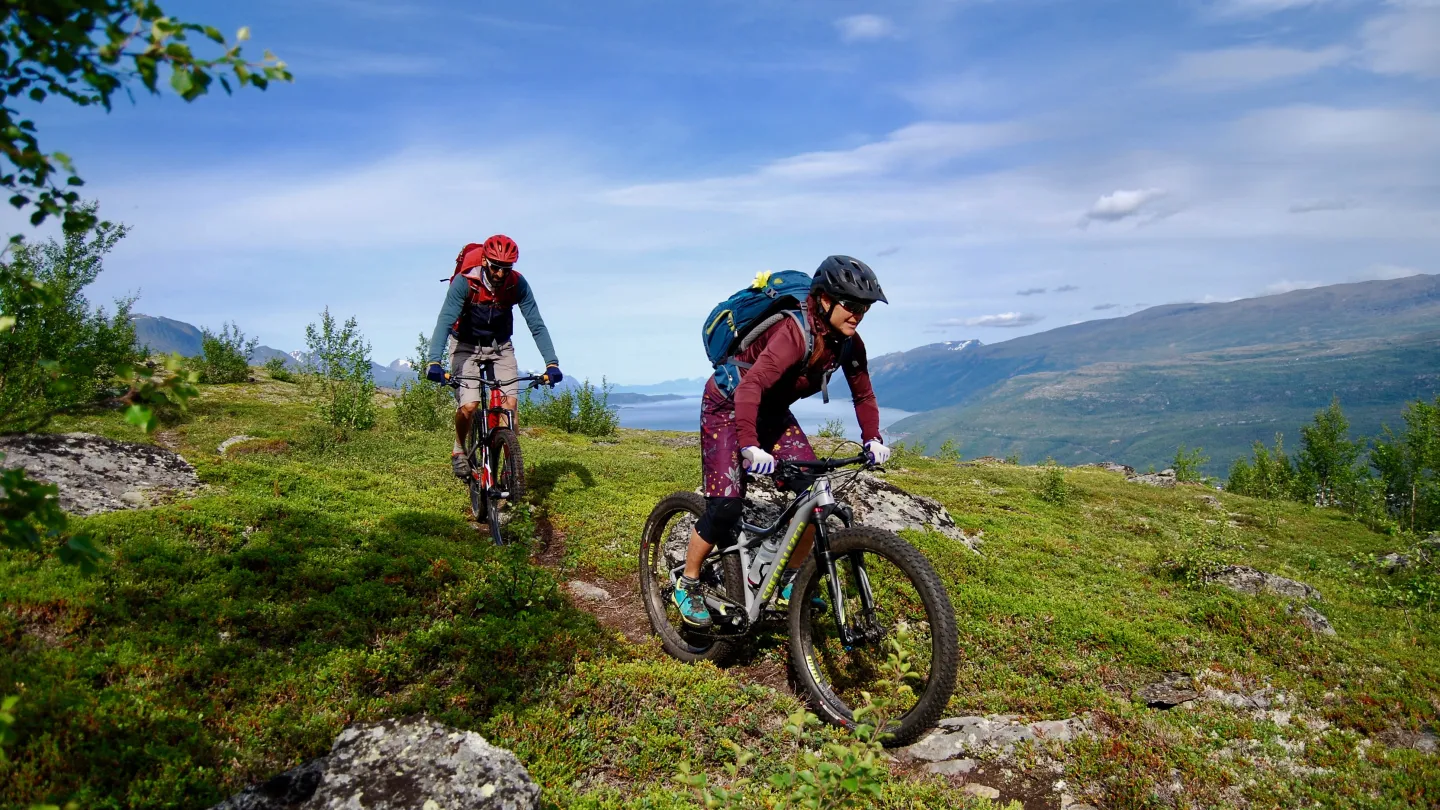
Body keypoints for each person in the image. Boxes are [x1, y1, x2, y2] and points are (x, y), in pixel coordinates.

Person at [672, 255, 893, 628]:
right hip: (729, 403)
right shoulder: (793, 334)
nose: (858, 315)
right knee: (725, 508)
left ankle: (788, 576)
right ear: (824, 300)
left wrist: (872, 437)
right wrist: (749, 446)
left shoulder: (849, 344)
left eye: (865, 309)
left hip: (771, 411)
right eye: (851, 306)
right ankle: (687, 580)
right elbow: (751, 386)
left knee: (813, 492)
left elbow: (863, 395)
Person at [426, 235, 562, 478]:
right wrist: (433, 361)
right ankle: (459, 450)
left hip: (500, 347)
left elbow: (536, 324)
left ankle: (508, 470)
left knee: (509, 406)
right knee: (469, 406)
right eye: (495, 267)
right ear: (486, 261)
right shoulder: (465, 282)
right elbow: (445, 320)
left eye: (506, 268)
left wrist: (551, 363)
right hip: (465, 346)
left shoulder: (517, 284)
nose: (500, 274)